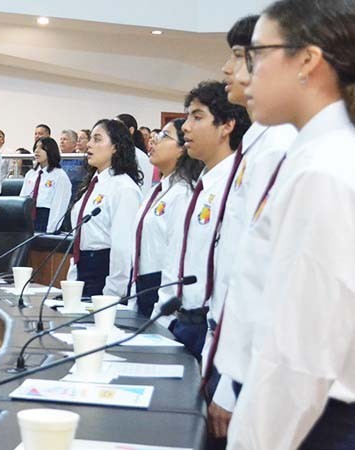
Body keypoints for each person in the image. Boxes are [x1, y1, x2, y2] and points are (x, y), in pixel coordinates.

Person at [214, 1, 355, 448]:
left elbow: (299, 356)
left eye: (257, 54)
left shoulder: (330, 169)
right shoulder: (315, 155)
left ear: (307, 60)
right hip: (297, 415)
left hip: (307, 425)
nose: (246, 72)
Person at [202, 14, 298, 445]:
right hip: (230, 340)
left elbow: (266, 274)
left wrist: (233, 379)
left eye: (242, 57)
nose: (228, 69)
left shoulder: (278, 146)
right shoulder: (259, 140)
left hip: (255, 360)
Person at [153, 81, 250, 360]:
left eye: (197, 117)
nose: (185, 127)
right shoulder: (204, 183)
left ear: (227, 125)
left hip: (213, 330)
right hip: (184, 320)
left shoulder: (236, 185)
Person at [131, 120, 202, 317]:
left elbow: (176, 257)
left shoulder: (183, 193)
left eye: (164, 135)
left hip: (161, 287)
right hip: (142, 284)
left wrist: (162, 314)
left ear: (181, 149)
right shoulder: (158, 189)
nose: (153, 139)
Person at [67, 119, 143, 298]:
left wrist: (113, 293)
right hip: (82, 268)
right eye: (90, 139)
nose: (89, 145)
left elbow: (123, 248)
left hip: (103, 270)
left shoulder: (124, 188)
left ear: (115, 147)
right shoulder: (93, 183)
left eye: (97, 139)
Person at [19, 137, 72, 233]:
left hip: (45, 218)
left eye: (42, 148)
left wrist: (51, 229)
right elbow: (22, 199)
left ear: (50, 151)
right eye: (36, 147)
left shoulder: (60, 176)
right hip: (28, 217)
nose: (37, 151)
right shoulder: (31, 174)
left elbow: (59, 206)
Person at [116, 113, 155, 196]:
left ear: (131, 130)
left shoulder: (140, 157)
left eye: (117, 128)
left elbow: (143, 188)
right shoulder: (118, 153)